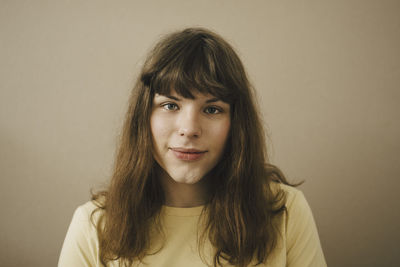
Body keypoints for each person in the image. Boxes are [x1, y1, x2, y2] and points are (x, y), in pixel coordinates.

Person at [58, 27, 327, 267]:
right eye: (170, 105)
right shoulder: (94, 226)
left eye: (212, 109)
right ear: (144, 118)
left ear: (236, 124)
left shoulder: (285, 212)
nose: (189, 129)